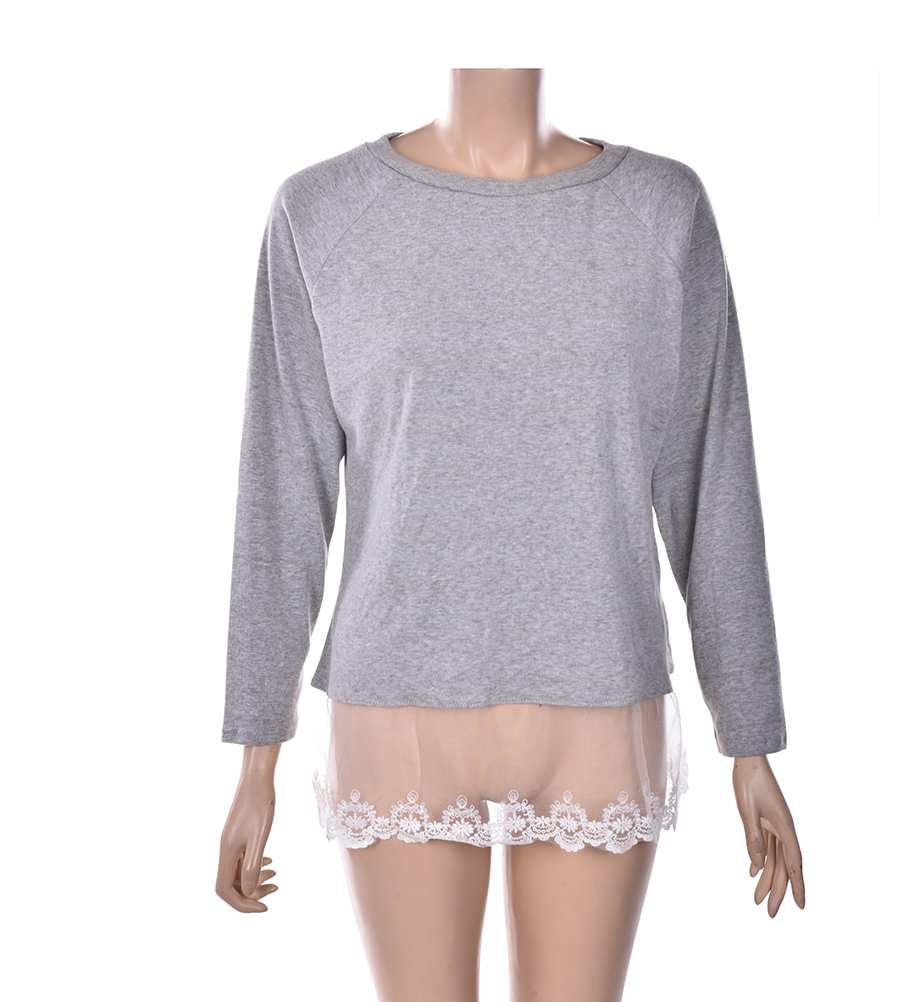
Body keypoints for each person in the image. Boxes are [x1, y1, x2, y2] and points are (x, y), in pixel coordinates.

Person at [216, 68, 805, 1002]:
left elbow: (714, 479)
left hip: (600, 693)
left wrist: (752, 739)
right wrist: (257, 756)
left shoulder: (662, 211)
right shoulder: (322, 213)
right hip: (397, 699)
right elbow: (281, 492)